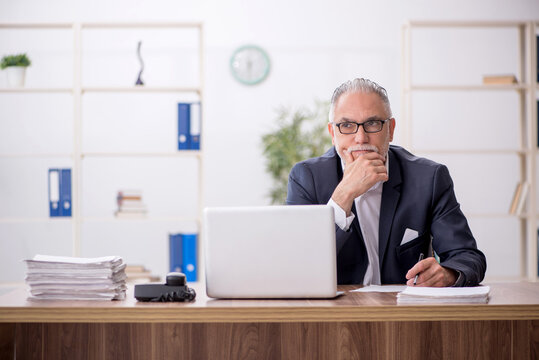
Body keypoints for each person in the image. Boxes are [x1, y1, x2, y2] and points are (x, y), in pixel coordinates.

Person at [286, 78, 486, 286]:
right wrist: (343, 196)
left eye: (372, 124)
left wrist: (448, 273)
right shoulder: (306, 178)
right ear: (332, 134)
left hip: (401, 311)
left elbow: (468, 257)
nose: (360, 138)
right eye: (347, 125)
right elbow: (296, 263)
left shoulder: (429, 178)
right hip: (336, 312)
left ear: (390, 129)